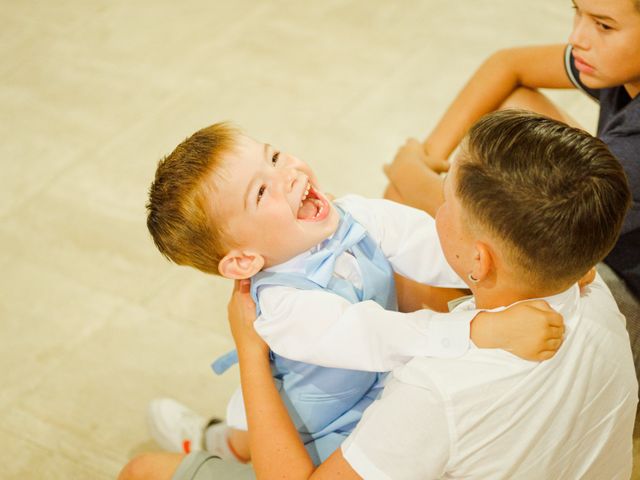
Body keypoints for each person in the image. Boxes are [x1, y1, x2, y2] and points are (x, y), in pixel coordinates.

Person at [118, 118, 565, 480]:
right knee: (266, 432)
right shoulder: (283, 309)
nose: (286, 173)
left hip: (370, 382)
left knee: (246, 428)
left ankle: (220, 441)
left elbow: (432, 245)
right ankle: (221, 443)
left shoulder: (354, 213)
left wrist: (524, 260)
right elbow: (376, 335)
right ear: (243, 262)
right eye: (260, 191)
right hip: (327, 428)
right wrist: (478, 330)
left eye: (273, 156)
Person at [226, 111, 636, 479]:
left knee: (163, 468)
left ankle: (214, 446)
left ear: (479, 261)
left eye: (444, 200)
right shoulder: (595, 294)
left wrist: (249, 351)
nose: (434, 210)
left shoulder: (433, 392)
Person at [383, 0, 640, 391]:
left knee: (425, 240)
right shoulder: (618, 69)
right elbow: (507, 64)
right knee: (515, 108)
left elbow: (510, 226)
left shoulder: (633, 152)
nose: (578, 38)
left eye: (604, 26)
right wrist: (431, 157)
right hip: (605, 237)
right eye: (577, 12)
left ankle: (437, 385)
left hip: (626, 312)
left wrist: (408, 171)